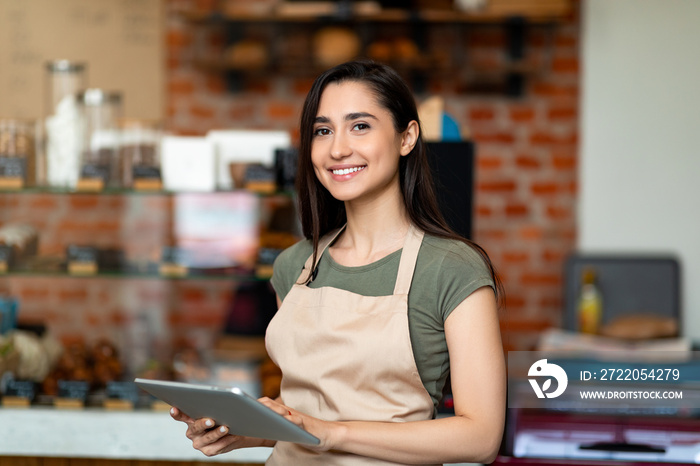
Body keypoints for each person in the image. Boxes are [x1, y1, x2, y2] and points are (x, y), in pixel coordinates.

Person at [171, 60, 506, 465]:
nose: (337, 148)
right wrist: (247, 426)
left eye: (360, 126)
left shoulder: (452, 268)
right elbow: (312, 407)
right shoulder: (294, 265)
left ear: (407, 137)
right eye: (323, 130)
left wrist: (332, 435)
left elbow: (481, 437)